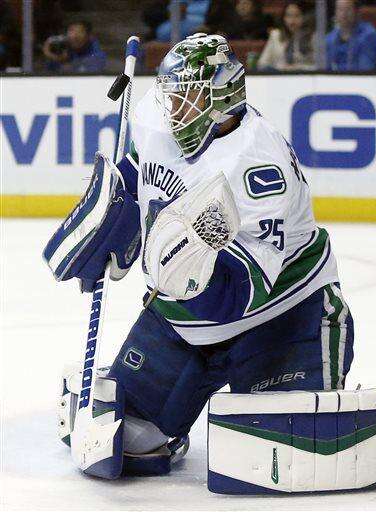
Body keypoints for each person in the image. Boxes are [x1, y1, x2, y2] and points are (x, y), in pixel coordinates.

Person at [44, 33, 354, 477]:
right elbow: (136, 177)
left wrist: (188, 274)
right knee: (125, 439)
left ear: (221, 99)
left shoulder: (258, 166)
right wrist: (112, 220)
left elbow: (238, 295)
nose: (172, 108)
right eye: (170, 95)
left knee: (280, 451)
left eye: (185, 98)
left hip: (281, 319)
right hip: (180, 323)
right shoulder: (157, 118)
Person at [257, 1, 315, 71]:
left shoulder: (312, 37)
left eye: (296, 16)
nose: (292, 20)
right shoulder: (275, 35)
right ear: (284, 18)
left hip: (303, 75)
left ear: (303, 17)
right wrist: (279, 68)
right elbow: (262, 63)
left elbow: (319, 66)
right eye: (289, 16)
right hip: (279, 74)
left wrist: (298, 68)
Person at [326, 0, 376, 71]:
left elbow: (365, 71)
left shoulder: (369, 36)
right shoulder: (330, 38)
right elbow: (324, 68)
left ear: (357, 12)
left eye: (348, 10)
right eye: (340, 9)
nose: (343, 14)